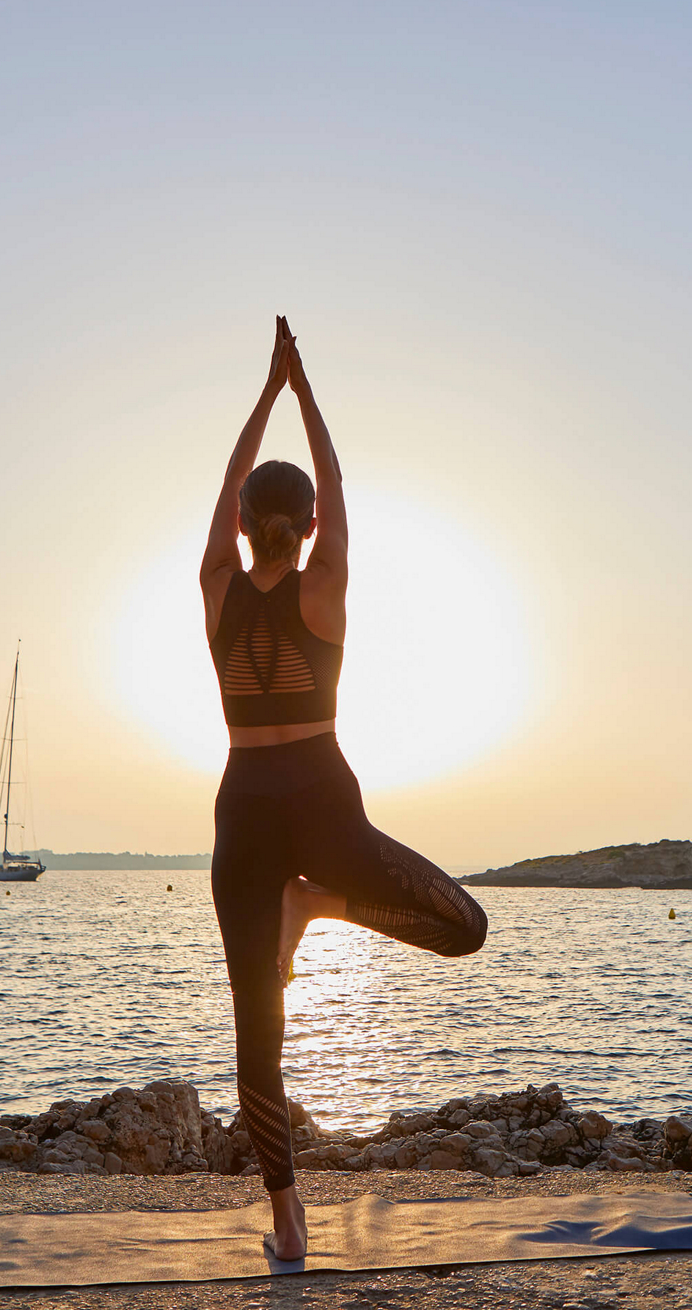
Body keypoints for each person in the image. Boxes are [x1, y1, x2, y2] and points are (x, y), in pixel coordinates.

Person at [200, 317, 489, 1261]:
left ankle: (287, 1217)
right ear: (310, 524)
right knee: (465, 928)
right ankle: (321, 897)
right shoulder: (326, 581)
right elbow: (332, 480)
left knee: (257, 1031)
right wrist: (304, 390)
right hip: (323, 804)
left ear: (243, 525)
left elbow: (233, 482)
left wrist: (263, 398)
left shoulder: (215, 586)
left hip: (243, 811)